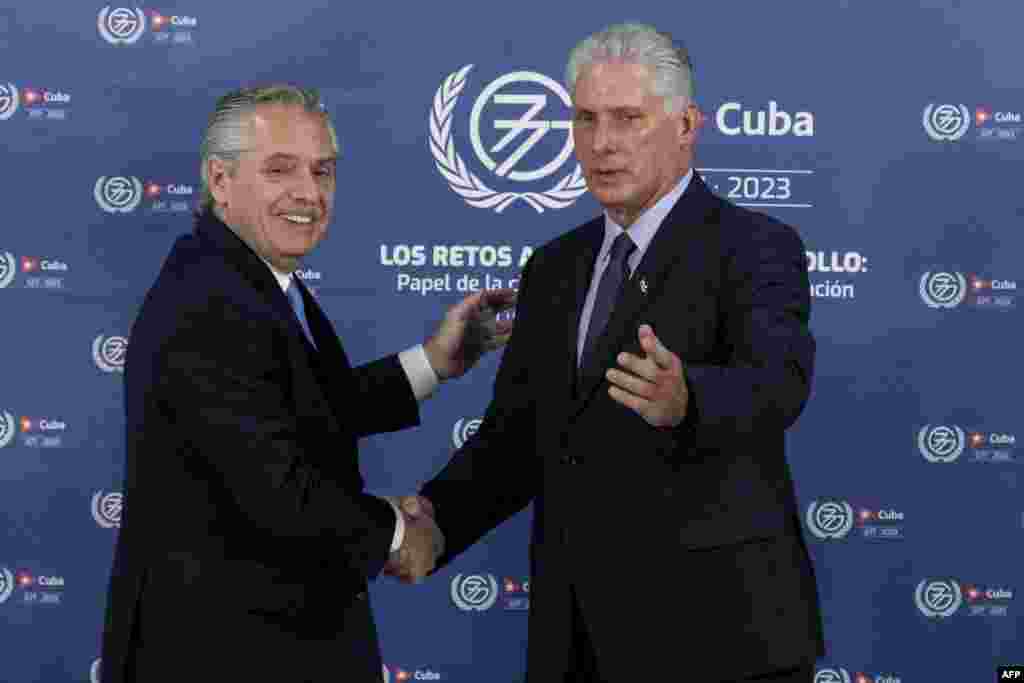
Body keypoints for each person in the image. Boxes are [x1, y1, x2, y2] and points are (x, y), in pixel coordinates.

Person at [399, 23, 824, 683]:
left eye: (628, 119)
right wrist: (433, 522)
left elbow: (779, 382)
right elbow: (518, 439)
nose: (602, 143)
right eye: (586, 119)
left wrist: (690, 399)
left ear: (686, 125)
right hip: (577, 641)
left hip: (720, 639)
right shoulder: (554, 266)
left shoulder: (756, 245)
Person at [99, 84, 515, 683]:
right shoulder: (212, 303)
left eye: (323, 171)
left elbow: (309, 406)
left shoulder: (248, 278)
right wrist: (399, 533)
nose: (309, 193)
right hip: (224, 650)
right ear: (220, 181)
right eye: (279, 169)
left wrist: (435, 360)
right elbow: (277, 490)